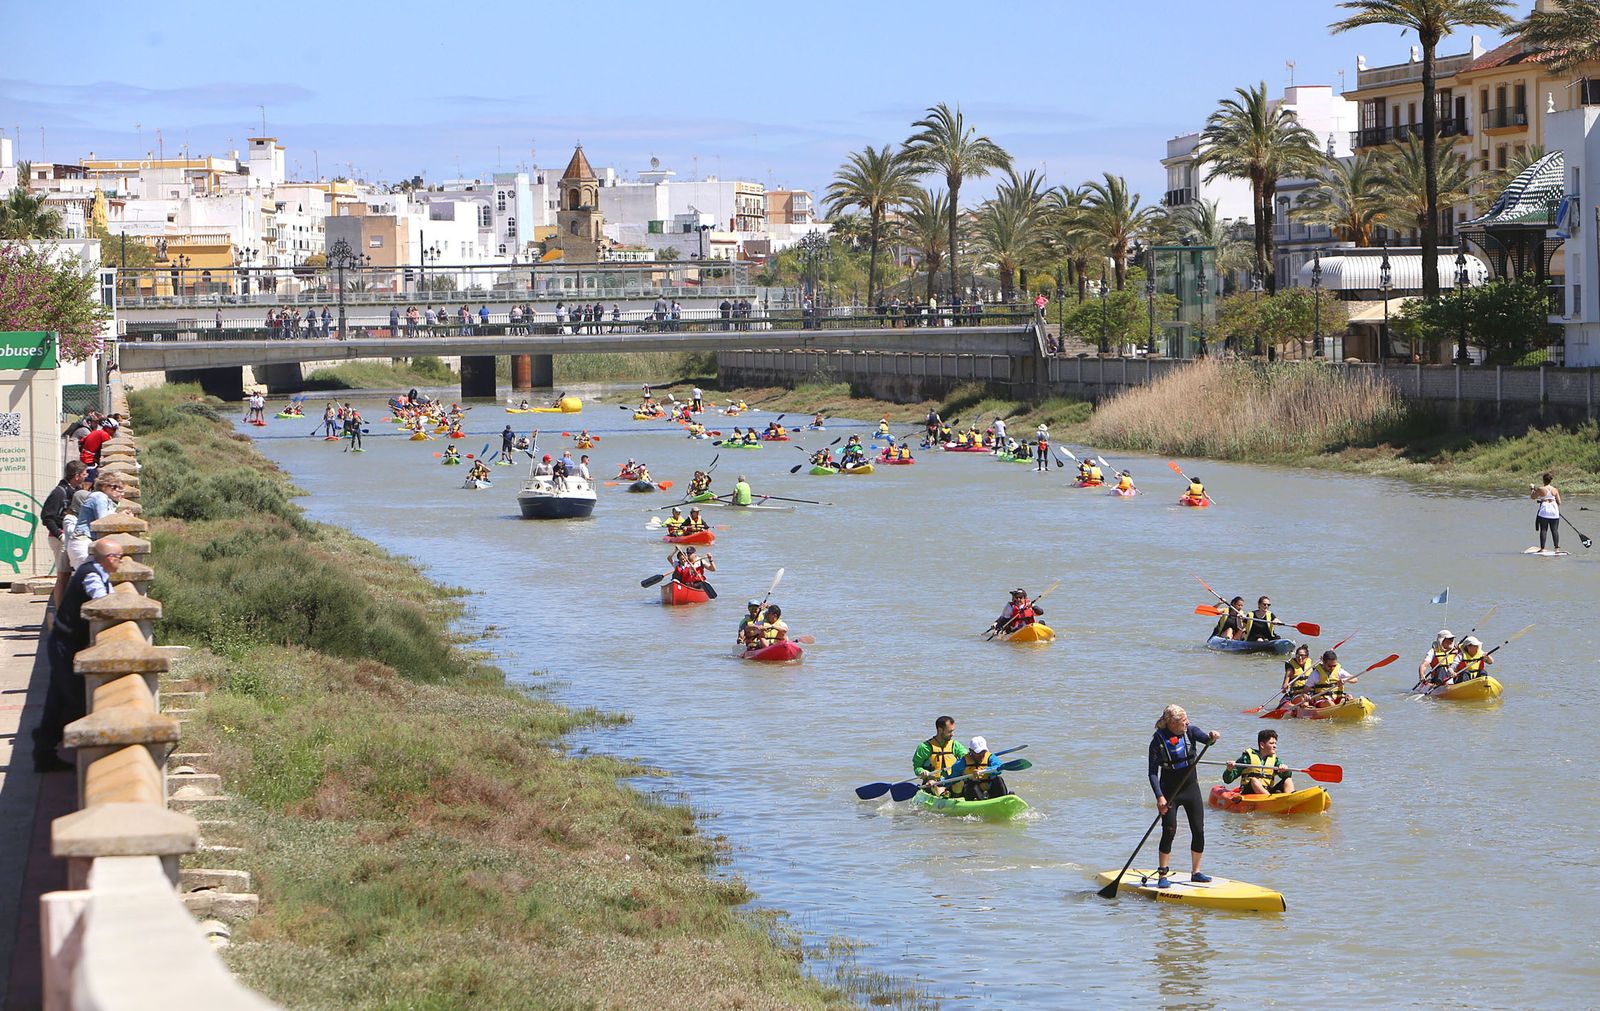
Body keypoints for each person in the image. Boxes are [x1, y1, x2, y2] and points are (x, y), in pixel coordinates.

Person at [32, 538, 124, 771]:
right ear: (109, 559)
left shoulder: (94, 570)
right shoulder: (91, 574)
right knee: (73, 698)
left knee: (59, 698)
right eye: (119, 557)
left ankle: (44, 749)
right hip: (66, 644)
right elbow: (101, 600)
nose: (121, 562)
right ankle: (52, 746)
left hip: (65, 642)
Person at [1149, 704, 1219, 889]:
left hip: (1191, 789)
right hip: (1169, 791)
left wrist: (1212, 737)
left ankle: (1196, 873)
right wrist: (1159, 797)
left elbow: (1208, 741)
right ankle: (1162, 874)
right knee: (1169, 830)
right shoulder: (1157, 741)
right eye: (1183, 720)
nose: (1187, 722)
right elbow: (1152, 773)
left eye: (1187, 719)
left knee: (1199, 830)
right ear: (1172, 723)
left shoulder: (1191, 732)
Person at [1223, 729, 1295, 796]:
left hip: (1267, 791)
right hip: (1249, 792)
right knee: (1254, 780)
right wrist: (1229, 770)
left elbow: (1287, 775)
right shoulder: (1247, 759)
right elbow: (1227, 780)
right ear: (1262, 745)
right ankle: (1269, 800)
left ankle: (1291, 800)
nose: (1275, 746)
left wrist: (1285, 770)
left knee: (1288, 779)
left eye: (1275, 743)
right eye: (1271, 743)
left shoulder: (1275, 761)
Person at [912, 716, 968, 795]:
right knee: (938, 788)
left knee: (960, 783)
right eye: (949, 731)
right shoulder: (924, 747)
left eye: (952, 731)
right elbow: (917, 767)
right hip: (933, 782)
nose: (952, 734)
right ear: (940, 730)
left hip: (951, 780)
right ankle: (943, 798)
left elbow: (967, 757)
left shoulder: (955, 745)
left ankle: (956, 797)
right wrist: (922, 771)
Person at [947, 736, 1011, 800]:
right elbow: (952, 778)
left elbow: (999, 767)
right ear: (971, 751)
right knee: (971, 784)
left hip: (989, 790)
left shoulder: (990, 757)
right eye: (978, 753)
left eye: (983, 751)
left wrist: (984, 770)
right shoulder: (962, 762)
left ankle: (1003, 798)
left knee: (998, 779)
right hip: (972, 792)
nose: (981, 755)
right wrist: (942, 784)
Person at [1531, 472, 1562, 552]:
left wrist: (1532, 489)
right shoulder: (1555, 490)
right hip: (1554, 511)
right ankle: (1557, 548)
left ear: (1543, 480)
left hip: (1544, 511)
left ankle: (1542, 548)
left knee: (1543, 530)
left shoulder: (1541, 489)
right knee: (1554, 530)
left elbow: (1533, 497)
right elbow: (1559, 502)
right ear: (1550, 481)